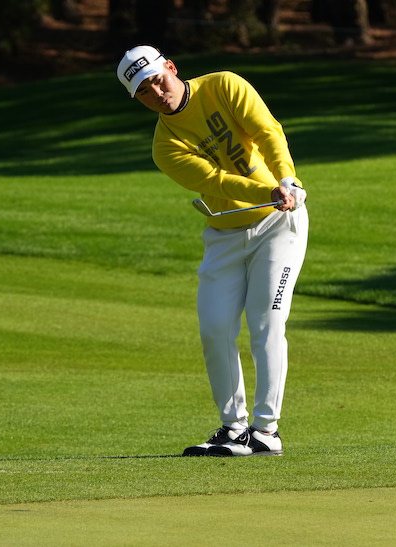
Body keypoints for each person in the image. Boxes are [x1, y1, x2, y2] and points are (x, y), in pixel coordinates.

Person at [116, 46, 308, 457]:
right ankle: (234, 428)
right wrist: (267, 191)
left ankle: (266, 430)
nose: (156, 93)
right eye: (144, 92)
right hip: (225, 235)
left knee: (266, 322)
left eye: (157, 81)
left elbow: (268, 131)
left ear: (171, 67)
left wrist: (287, 180)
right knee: (215, 328)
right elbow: (217, 181)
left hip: (279, 225)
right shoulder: (165, 147)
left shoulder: (224, 85)